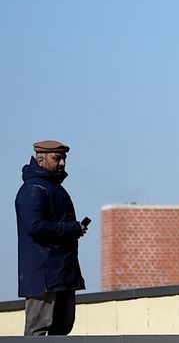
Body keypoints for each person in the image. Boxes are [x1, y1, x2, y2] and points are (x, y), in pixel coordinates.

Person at [15, 140, 87, 336]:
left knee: (62, 330)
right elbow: (35, 227)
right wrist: (72, 228)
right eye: (57, 158)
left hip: (62, 273)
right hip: (43, 277)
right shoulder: (34, 189)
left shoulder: (54, 189)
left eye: (64, 158)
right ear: (40, 160)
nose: (62, 163)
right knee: (38, 331)